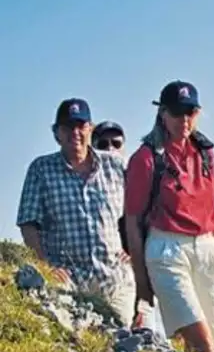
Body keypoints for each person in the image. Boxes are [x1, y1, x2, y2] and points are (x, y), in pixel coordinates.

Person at [123, 80, 214, 352]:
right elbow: (133, 221)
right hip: (166, 249)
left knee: (210, 340)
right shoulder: (146, 159)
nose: (184, 120)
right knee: (203, 345)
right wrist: (141, 280)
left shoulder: (205, 153)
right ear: (162, 113)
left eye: (190, 112)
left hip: (206, 247)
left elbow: (212, 210)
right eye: (177, 112)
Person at [16, 98, 136, 326]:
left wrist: (132, 250)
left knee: (120, 344)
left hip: (115, 278)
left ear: (90, 128)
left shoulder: (116, 165)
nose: (75, 133)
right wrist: (45, 265)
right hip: (67, 280)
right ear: (56, 133)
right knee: (78, 345)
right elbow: (28, 223)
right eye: (68, 127)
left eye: (81, 126)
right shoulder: (41, 169)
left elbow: (140, 209)